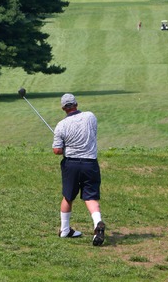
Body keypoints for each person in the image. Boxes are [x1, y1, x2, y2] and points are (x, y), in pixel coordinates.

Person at [52, 94, 105, 246]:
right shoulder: (90, 116)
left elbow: (56, 150)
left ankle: (65, 230)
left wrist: (65, 147)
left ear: (63, 108)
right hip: (90, 163)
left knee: (68, 196)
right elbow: (92, 134)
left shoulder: (61, 125)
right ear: (76, 104)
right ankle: (97, 223)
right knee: (91, 196)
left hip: (71, 165)